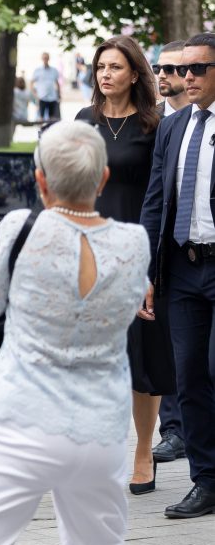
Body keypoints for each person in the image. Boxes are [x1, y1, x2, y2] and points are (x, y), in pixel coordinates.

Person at [0, 121, 149, 545]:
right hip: (101, 429)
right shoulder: (134, 241)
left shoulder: (20, 226)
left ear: (40, 180)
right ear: (103, 178)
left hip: (20, 421)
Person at [74, 35, 170, 496]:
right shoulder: (82, 121)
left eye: (115, 67)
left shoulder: (156, 124)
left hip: (135, 249)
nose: (105, 74)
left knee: (140, 359)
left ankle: (143, 451)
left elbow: (160, 197)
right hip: (90, 250)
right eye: (100, 67)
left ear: (135, 73)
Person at [140, 32, 215, 519]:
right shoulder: (174, 127)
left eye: (197, 70)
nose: (185, 78)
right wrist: (145, 270)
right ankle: (206, 482)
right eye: (180, 70)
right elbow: (153, 202)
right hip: (182, 269)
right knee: (187, 378)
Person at [149, 40, 192, 464]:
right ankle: (174, 429)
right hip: (170, 253)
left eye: (172, 69)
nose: (164, 75)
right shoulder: (157, 124)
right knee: (174, 348)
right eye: (158, 68)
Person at [32, 52, 62, 120]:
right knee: (41, 116)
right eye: (44, 58)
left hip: (52, 97)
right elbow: (31, 83)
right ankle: (41, 130)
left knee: (52, 117)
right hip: (42, 97)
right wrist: (35, 94)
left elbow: (57, 83)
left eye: (46, 58)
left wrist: (59, 94)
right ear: (42, 59)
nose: (45, 60)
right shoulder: (38, 70)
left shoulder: (54, 70)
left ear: (49, 59)